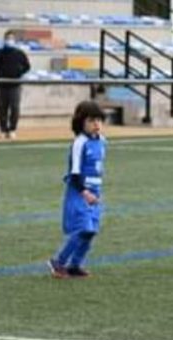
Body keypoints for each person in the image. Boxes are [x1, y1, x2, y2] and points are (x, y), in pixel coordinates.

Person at [48, 101, 107, 279]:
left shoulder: (103, 141)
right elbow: (74, 173)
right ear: (81, 122)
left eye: (99, 120)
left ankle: (75, 265)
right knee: (83, 228)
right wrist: (84, 192)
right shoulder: (79, 143)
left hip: (94, 193)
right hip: (79, 192)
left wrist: (95, 191)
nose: (96, 124)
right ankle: (58, 262)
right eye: (91, 120)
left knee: (91, 231)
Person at [0, 30, 30, 140]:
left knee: (15, 108)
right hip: (1, 85)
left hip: (15, 85)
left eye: (11, 39)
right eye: (7, 38)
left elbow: (27, 66)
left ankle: (12, 129)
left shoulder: (20, 53)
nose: (9, 41)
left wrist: (18, 74)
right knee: (2, 108)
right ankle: (3, 129)